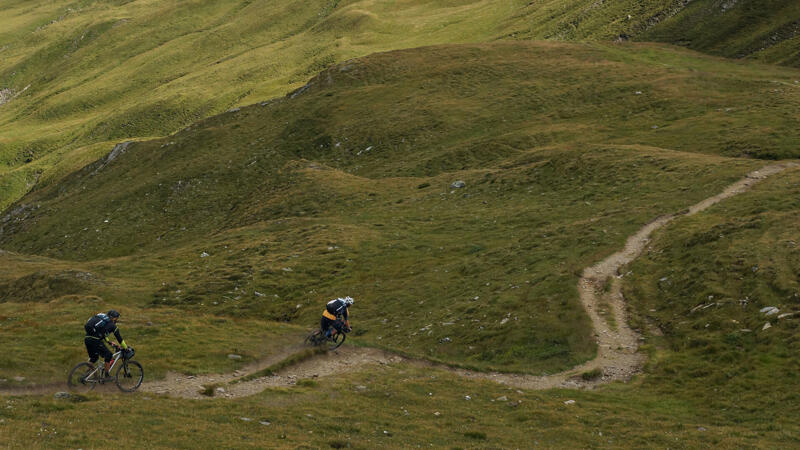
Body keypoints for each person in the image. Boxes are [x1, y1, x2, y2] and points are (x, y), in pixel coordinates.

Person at [84, 310, 132, 377]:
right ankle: (107, 376)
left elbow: (102, 334)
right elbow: (119, 339)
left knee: (94, 358)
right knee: (108, 355)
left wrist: (109, 341)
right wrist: (126, 348)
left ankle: (84, 376)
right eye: (116, 318)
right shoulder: (112, 325)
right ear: (113, 318)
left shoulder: (104, 322)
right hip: (95, 340)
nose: (116, 320)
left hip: (87, 339)